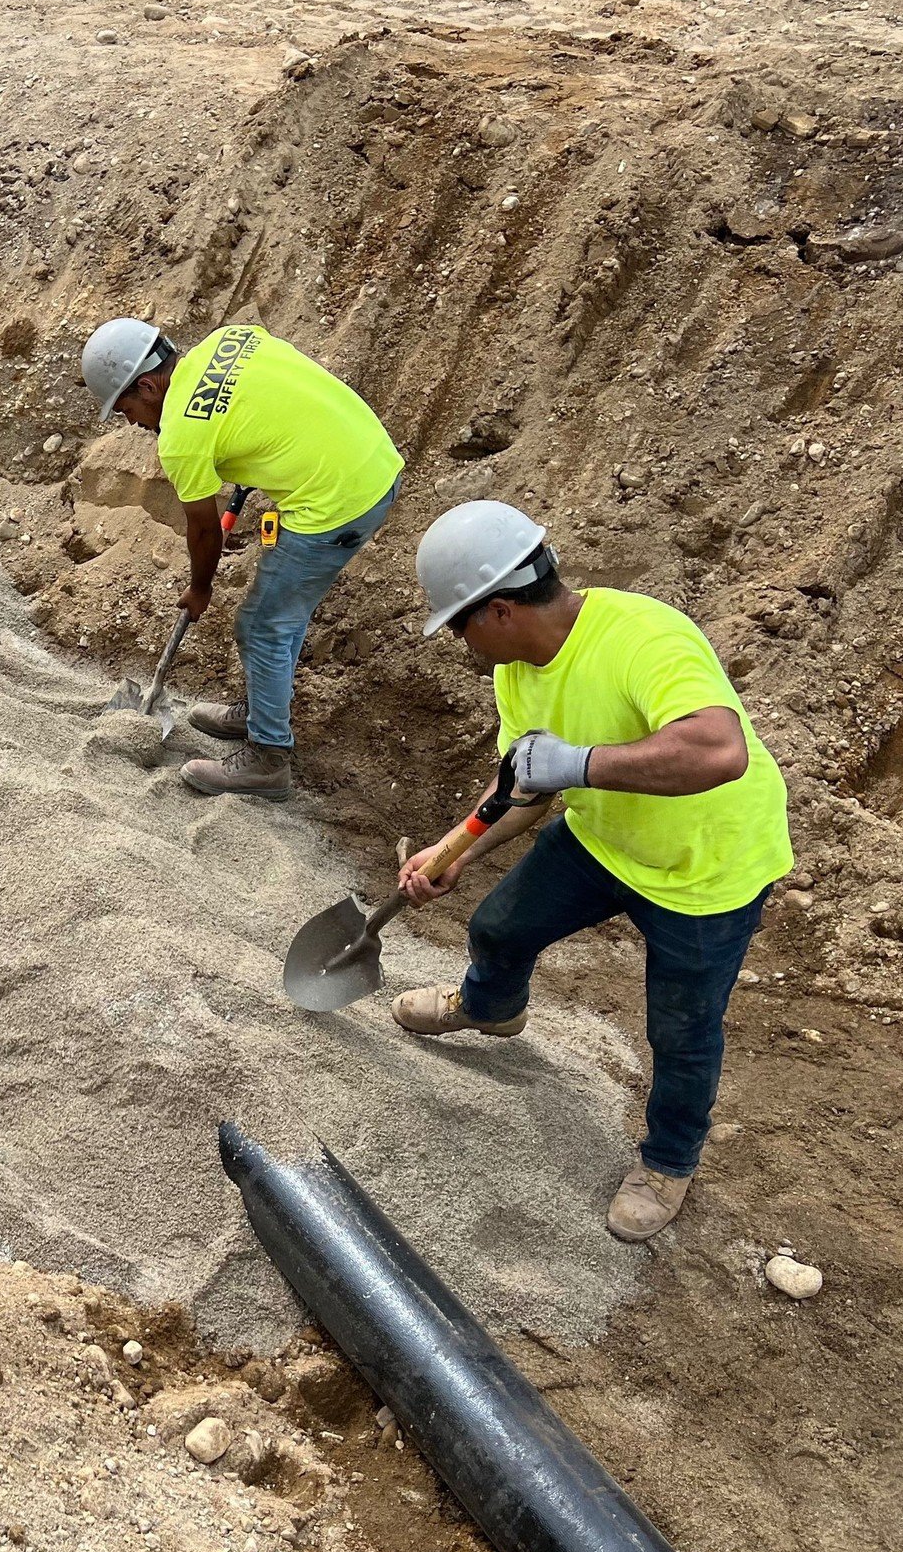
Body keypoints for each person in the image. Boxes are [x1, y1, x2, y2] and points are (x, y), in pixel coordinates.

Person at [393, 500, 794, 1242]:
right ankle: (489, 1007)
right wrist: (453, 850)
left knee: (682, 1029)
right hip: (606, 839)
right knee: (498, 925)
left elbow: (718, 750)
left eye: (458, 623)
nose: (458, 641)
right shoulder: (521, 667)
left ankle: (669, 1161)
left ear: (502, 610)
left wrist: (579, 763)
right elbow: (523, 783)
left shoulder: (643, 636)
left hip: (705, 868)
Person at [81, 319, 403, 801]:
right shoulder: (230, 338)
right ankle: (261, 711)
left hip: (340, 500)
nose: (130, 421)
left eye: (126, 407)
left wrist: (200, 588)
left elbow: (205, 529)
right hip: (370, 457)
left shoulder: (182, 437)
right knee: (281, 613)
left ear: (148, 384)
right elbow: (270, 395)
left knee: (263, 625)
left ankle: (268, 759)